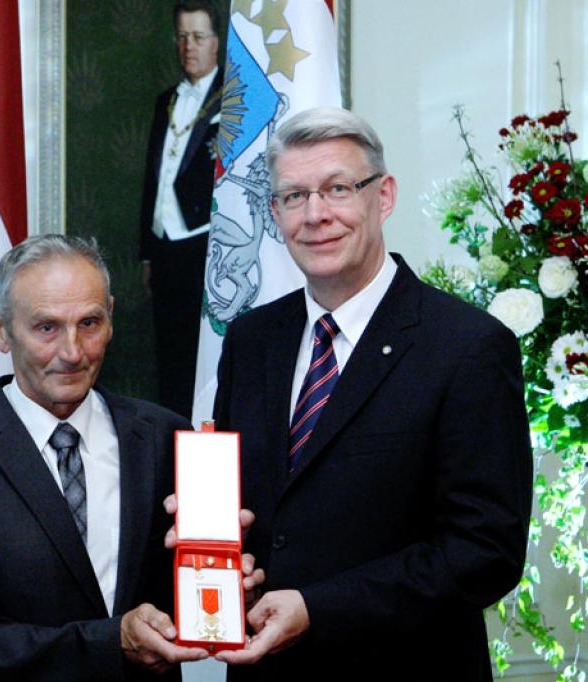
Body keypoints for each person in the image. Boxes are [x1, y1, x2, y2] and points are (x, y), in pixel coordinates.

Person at [210, 108, 533, 679]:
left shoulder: (468, 347)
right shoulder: (251, 340)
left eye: (337, 189)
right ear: (275, 212)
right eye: (293, 196)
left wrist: (317, 609)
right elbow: (251, 511)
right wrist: (212, 546)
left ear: (382, 196)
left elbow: (485, 551)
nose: (316, 215)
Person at [0, 235, 220, 681]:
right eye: (47, 327)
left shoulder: (168, 438)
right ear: (0, 331)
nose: (72, 352)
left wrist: (233, 585)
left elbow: (198, 589)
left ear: (111, 320)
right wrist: (112, 641)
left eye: (89, 323)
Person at [139, 0, 223, 419]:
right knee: (168, 351)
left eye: (198, 37)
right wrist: (148, 251)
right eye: (182, 37)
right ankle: (171, 433)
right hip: (166, 245)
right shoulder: (165, 100)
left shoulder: (234, 101)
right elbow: (152, 180)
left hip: (204, 242)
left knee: (200, 352)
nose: (189, 47)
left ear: (216, 43)